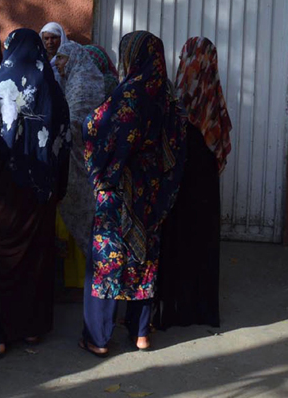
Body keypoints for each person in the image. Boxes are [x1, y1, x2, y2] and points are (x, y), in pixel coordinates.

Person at [0, 28, 70, 358]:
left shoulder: (1, 84)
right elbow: (63, 145)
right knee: (34, 258)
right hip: (40, 191)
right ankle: (31, 329)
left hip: (1, 189)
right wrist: (57, 190)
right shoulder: (52, 89)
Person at [80, 31, 187, 357]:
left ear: (132, 57)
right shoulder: (167, 97)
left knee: (108, 261)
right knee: (144, 258)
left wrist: (100, 171)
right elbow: (177, 149)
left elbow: (105, 137)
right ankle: (141, 334)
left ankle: (98, 338)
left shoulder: (128, 96)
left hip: (118, 192)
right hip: (151, 193)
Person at [154, 37, 231, 331]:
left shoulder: (175, 97)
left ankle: (174, 309)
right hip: (205, 184)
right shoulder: (214, 99)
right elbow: (220, 141)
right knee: (203, 241)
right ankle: (203, 309)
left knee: (176, 240)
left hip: (177, 181)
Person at [54, 42, 105, 290]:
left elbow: (76, 123)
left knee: (84, 212)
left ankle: (90, 279)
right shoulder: (74, 81)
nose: (58, 64)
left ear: (73, 59)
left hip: (82, 161)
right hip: (78, 159)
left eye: (62, 59)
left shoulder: (83, 84)